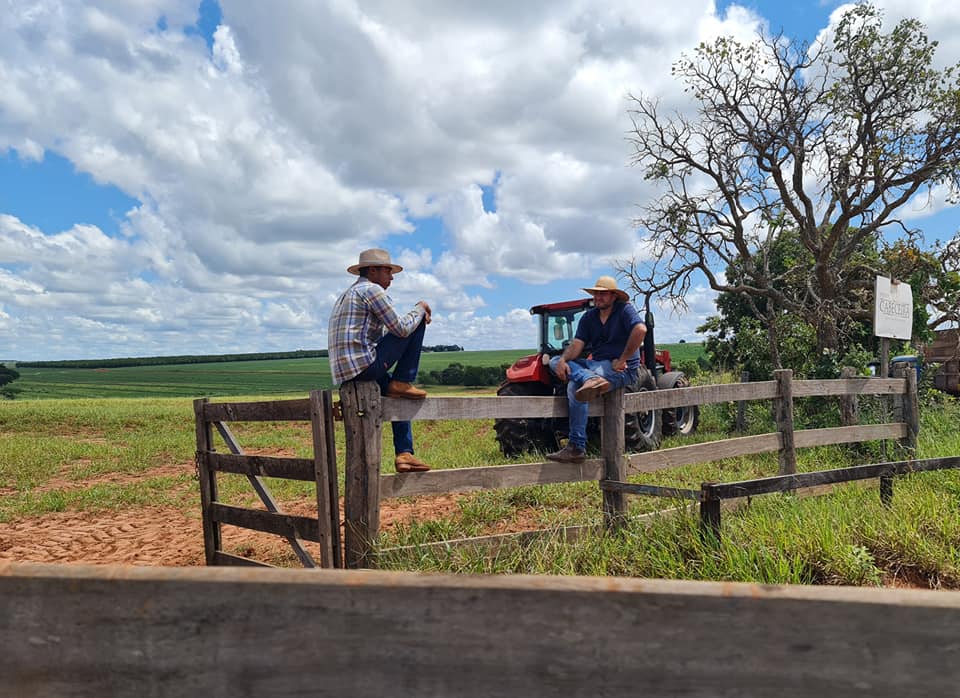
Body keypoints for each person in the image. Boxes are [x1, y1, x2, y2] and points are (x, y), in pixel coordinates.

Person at [328, 248, 433, 473]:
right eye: (388, 271)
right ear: (373, 271)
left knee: (397, 395)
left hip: (348, 373)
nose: (391, 277)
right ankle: (404, 378)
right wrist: (421, 308)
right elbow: (401, 329)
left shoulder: (348, 294)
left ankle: (404, 454)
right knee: (416, 322)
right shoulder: (371, 290)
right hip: (364, 364)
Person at [545, 275, 646, 464]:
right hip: (596, 366)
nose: (598, 298)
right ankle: (588, 379)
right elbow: (577, 345)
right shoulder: (589, 317)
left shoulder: (624, 310)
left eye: (603, 294)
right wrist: (564, 360)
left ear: (614, 296)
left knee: (573, 388)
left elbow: (640, 330)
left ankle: (576, 446)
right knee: (554, 361)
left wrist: (623, 359)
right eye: (596, 294)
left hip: (619, 368)